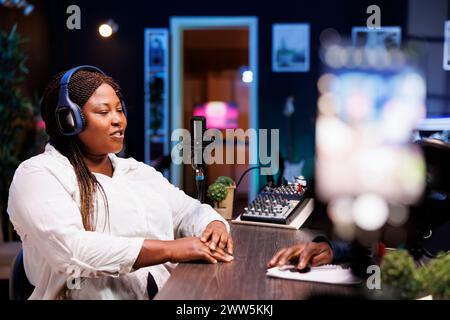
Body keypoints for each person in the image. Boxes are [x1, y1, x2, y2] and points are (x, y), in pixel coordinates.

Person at [7, 66, 234, 300]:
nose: (118, 120)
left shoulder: (138, 172)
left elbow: (188, 211)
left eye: (119, 110)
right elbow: (71, 250)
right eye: (103, 112)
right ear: (69, 120)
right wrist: (172, 249)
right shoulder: (38, 174)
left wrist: (213, 225)